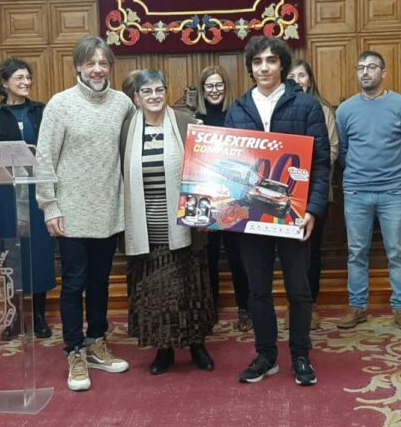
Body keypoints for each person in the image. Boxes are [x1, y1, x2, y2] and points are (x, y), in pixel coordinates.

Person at [225, 36, 330, 386]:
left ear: (282, 65)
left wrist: (313, 209)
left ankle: (300, 354)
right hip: (251, 214)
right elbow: (225, 162)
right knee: (257, 290)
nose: (264, 67)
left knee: (298, 289)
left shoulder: (306, 106)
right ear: (251, 67)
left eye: (271, 60)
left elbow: (320, 164)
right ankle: (266, 354)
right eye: (257, 62)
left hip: (294, 214)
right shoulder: (237, 109)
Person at [35, 36, 135, 391]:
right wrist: (50, 206)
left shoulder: (123, 103)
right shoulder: (60, 105)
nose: (97, 69)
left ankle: (96, 342)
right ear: (78, 66)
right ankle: (74, 350)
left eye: (103, 63)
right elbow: (44, 158)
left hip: (109, 210)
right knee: (74, 284)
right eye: (90, 63)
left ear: (111, 67)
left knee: (100, 282)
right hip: (72, 213)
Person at [120, 69, 216, 375]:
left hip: (184, 225)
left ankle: (197, 345)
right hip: (145, 227)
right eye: (146, 91)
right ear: (136, 97)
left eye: (159, 90)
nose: (154, 96)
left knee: (190, 290)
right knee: (156, 293)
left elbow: (204, 166)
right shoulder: (126, 130)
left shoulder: (185, 122)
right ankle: (164, 350)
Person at [336, 50, 401, 332]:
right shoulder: (346, 109)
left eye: (371, 67)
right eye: (360, 67)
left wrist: (393, 171)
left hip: (393, 191)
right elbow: (344, 151)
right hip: (357, 191)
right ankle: (358, 307)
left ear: (383, 73)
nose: (365, 72)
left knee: (397, 251)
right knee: (356, 252)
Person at [0, 58, 55, 340]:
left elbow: (49, 145)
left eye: (28, 77)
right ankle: (15, 316)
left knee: (39, 250)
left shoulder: (41, 109)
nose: (26, 82)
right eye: (19, 78)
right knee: (12, 249)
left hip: (38, 187)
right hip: (7, 189)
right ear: (4, 83)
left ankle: (38, 315)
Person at [194, 65, 252, 332]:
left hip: (233, 198)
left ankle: (245, 309)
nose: (214, 91)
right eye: (209, 86)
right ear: (202, 90)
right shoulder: (194, 120)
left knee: (239, 257)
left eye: (218, 85)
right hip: (205, 199)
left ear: (225, 88)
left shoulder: (237, 116)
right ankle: (209, 309)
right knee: (208, 258)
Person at [286, 59, 340, 330]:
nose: (297, 80)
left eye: (302, 75)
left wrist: (301, 164)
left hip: (315, 194)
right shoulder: (278, 107)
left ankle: (311, 305)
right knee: (287, 253)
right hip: (284, 194)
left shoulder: (323, 109)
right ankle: (292, 306)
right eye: (292, 75)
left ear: (310, 79)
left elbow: (331, 150)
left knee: (312, 252)